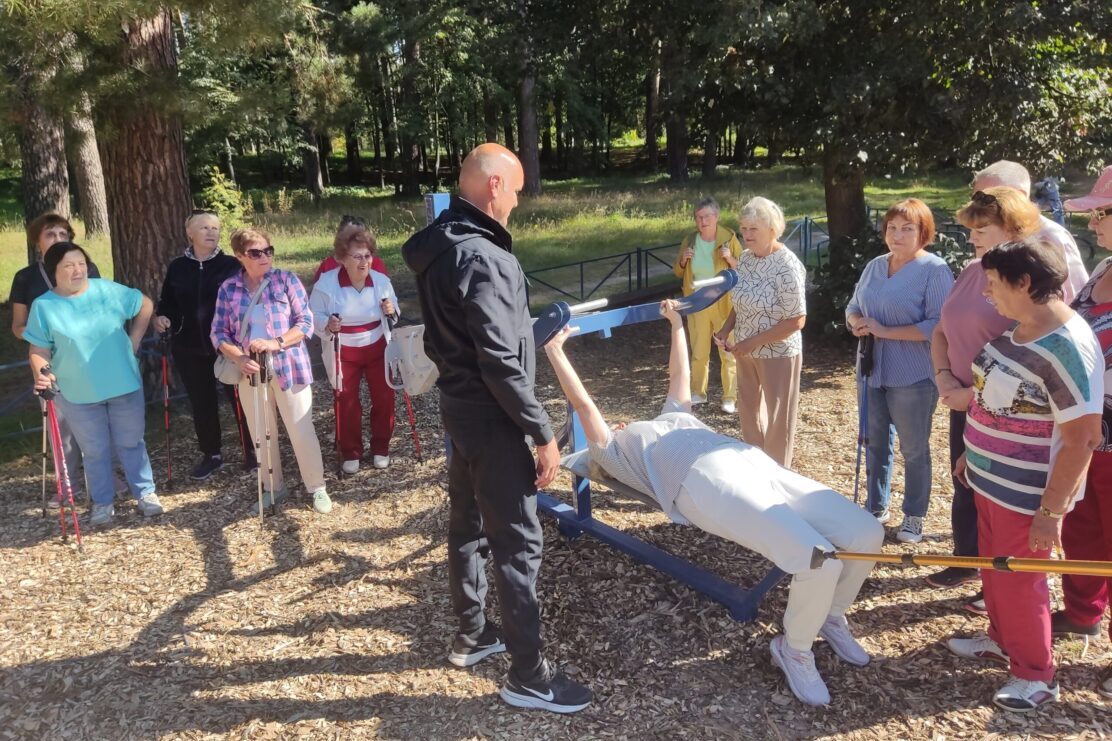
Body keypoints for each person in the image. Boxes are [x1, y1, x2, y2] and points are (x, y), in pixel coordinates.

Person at [545, 300, 883, 707]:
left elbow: (679, 375)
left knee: (866, 532)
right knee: (818, 558)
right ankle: (793, 648)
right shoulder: (614, 451)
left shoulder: (675, 417)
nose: (619, 422)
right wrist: (554, 350)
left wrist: (676, 324)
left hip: (750, 462)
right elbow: (584, 406)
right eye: (616, 424)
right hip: (700, 481)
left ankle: (829, 615)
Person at [401, 143, 591, 714]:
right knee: (517, 543)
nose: (519, 198)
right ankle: (530, 675)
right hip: (492, 415)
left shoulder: (439, 246)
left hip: (459, 410)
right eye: (515, 186)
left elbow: (442, 339)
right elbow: (501, 360)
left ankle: (472, 633)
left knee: (466, 523)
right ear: (491, 188)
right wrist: (541, 431)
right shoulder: (485, 257)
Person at [947, 238, 1103, 713]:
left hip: (1027, 496)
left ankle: (1036, 675)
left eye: (995, 284)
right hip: (991, 481)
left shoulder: (1068, 347)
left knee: (1021, 580)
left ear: (1025, 283)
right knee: (996, 573)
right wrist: (972, 455)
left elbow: (1083, 440)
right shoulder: (1021, 328)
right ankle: (1002, 639)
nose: (988, 293)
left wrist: (1050, 511)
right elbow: (991, 398)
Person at [927, 187, 1042, 603]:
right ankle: (968, 561)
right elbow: (941, 328)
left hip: (1000, 409)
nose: (972, 236)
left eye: (982, 228)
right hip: (960, 396)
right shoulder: (974, 270)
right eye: (970, 228)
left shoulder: (1026, 279)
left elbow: (1027, 361)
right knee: (964, 482)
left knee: (995, 493)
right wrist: (944, 378)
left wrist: (972, 397)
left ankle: (998, 582)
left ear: (1011, 227)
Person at [24, 241, 164, 527]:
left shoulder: (108, 290)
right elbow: (38, 350)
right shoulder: (44, 306)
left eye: (81, 263)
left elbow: (145, 304)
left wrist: (134, 340)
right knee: (95, 449)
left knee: (131, 442)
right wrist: (42, 372)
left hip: (123, 383)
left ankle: (146, 493)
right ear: (54, 272)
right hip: (78, 391)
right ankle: (102, 502)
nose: (78, 270)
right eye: (68, 265)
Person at [846, 199, 954, 543]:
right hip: (872, 369)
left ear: (924, 232)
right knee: (874, 442)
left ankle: (914, 516)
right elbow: (852, 306)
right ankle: (875, 507)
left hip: (913, 374)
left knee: (914, 449)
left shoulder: (934, 270)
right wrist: (857, 322)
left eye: (907, 228)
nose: (897, 235)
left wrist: (885, 330)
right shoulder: (875, 265)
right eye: (892, 227)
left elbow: (939, 324)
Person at [211, 228, 330, 515]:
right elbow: (218, 333)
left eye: (268, 251)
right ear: (240, 256)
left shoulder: (286, 280)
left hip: (289, 365)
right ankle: (272, 487)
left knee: (302, 430)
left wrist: (275, 343)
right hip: (250, 371)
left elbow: (305, 322)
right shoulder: (228, 289)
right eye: (256, 253)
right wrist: (239, 358)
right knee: (261, 433)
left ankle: (317, 488)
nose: (264, 257)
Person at [1055, 167, 1112, 697]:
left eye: (1103, 212)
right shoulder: (1102, 270)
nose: (1094, 222)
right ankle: (1082, 611)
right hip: (1089, 431)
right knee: (1084, 524)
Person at [153, 211, 255, 480]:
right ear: (190, 233)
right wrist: (162, 318)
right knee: (202, 402)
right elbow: (168, 304)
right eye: (205, 228)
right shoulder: (177, 267)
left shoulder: (232, 265)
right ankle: (212, 454)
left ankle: (252, 449)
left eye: (215, 227)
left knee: (239, 398)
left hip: (227, 346)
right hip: (189, 347)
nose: (212, 232)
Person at [10, 214, 104, 502]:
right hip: (49, 362)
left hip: (87, 360)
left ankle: (103, 481)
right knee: (60, 428)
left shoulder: (87, 269)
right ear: (37, 241)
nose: (58, 239)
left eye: (63, 234)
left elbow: (100, 312)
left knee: (96, 424)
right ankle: (69, 486)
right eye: (50, 234)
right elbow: (17, 326)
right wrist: (44, 339)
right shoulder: (26, 278)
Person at [714, 196, 806, 467]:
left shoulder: (786, 265)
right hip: (744, 350)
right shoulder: (744, 259)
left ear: (772, 229)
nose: (746, 234)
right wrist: (725, 329)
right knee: (749, 411)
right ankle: (756, 468)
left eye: (753, 228)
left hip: (778, 352)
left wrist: (752, 342)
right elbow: (740, 301)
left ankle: (779, 475)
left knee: (779, 418)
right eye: (743, 228)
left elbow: (797, 319)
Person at [309, 222, 399, 474]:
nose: (363, 262)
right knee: (346, 400)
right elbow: (312, 313)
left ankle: (381, 447)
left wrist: (392, 310)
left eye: (367, 255)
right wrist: (327, 323)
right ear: (342, 259)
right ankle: (351, 451)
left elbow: (395, 309)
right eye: (356, 256)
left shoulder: (380, 281)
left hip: (377, 346)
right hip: (343, 349)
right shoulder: (327, 283)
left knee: (384, 397)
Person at [972, 160, 1088, 301]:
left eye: (989, 198)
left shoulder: (1051, 236)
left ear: (1020, 195)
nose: (979, 207)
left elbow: (1076, 298)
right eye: (977, 198)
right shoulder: (986, 232)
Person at [672, 196, 742, 412]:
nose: (702, 221)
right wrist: (684, 260)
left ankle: (730, 397)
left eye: (707, 217)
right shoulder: (690, 240)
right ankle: (698, 393)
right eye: (698, 217)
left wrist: (730, 258)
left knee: (727, 350)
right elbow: (678, 271)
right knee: (699, 351)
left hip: (723, 302)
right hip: (697, 302)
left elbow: (743, 269)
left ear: (716, 217)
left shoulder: (729, 238)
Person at [311, 215, 389, 284]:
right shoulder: (327, 265)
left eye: (360, 236)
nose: (358, 240)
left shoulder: (376, 264)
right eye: (351, 237)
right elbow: (316, 291)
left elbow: (384, 293)